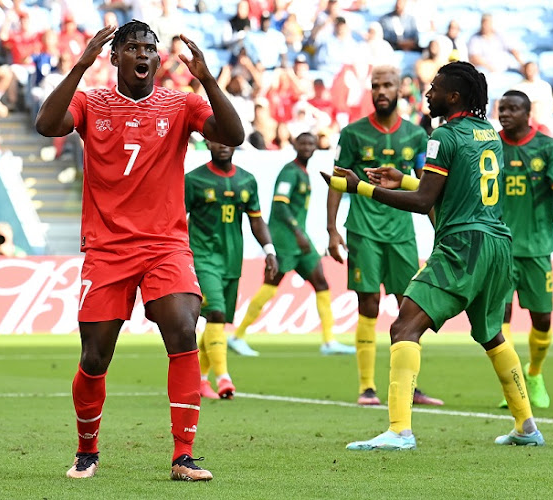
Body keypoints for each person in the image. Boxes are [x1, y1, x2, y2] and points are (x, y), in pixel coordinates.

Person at [34, 20, 244, 481]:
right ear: (115, 57)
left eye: (149, 47)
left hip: (165, 244)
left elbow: (234, 134)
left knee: (183, 329)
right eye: (132, 47)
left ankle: (183, 456)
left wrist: (208, 80)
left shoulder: (181, 103)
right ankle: (87, 449)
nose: (143, 53)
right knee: (95, 357)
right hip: (107, 248)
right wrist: (79, 66)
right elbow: (47, 124)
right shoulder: (91, 102)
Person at [324, 61, 544, 450]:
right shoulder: (488, 133)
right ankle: (526, 426)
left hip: (462, 245)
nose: (427, 94)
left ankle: (399, 430)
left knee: (403, 327)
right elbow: (453, 191)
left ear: (454, 96)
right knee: (492, 334)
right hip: (497, 244)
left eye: (435, 88)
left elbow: (426, 200)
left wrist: (360, 188)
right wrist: (403, 179)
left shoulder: (443, 134)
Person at [327, 65, 444, 407]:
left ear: (399, 89)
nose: (381, 91)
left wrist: (442, 231)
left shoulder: (416, 136)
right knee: (369, 305)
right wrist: (332, 228)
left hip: (402, 233)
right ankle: (367, 387)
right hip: (363, 231)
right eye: (375, 85)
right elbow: (337, 182)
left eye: (387, 85)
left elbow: (428, 186)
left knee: (410, 306)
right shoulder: (352, 133)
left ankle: (411, 385)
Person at [229, 132, 355, 357]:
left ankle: (329, 341)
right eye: (303, 142)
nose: (307, 147)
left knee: (322, 283)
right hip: (286, 240)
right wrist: (298, 233)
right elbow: (280, 205)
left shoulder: (303, 172)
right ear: (295, 145)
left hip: (300, 241)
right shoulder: (289, 171)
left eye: (311, 143)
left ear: (316, 148)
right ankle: (237, 336)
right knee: (270, 286)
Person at [496, 90, 553, 409]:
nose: (504, 113)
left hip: (535, 248)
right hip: (499, 247)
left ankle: (534, 374)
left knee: (542, 318)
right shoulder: (491, 146)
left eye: (512, 108)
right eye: (501, 108)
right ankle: (513, 381)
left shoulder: (547, 147)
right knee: (500, 317)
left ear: (527, 113)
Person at [185, 140, 278, 400]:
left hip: (232, 260)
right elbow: (177, 219)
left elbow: (256, 220)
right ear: (207, 142)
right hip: (202, 257)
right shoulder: (193, 180)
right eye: (216, 139)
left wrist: (269, 250)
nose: (222, 145)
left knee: (218, 319)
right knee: (214, 313)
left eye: (227, 139)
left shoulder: (247, 181)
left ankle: (201, 381)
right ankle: (223, 377)